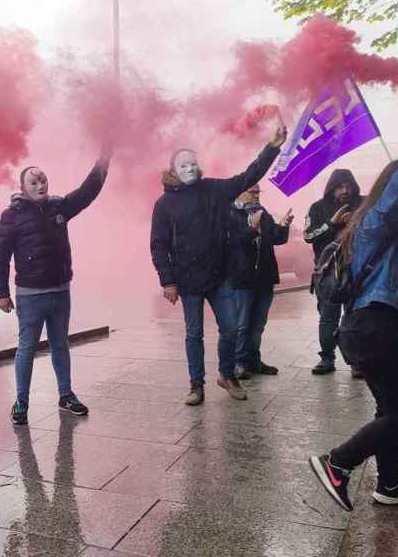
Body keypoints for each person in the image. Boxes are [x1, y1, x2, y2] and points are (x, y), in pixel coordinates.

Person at [310, 129, 398, 511]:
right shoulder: (376, 221)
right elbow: (387, 206)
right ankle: (337, 462)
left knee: (390, 411)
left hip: (384, 331)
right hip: (374, 330)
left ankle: (390, 483)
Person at [150, 125, 288, 405]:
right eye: (183, 165)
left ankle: (227, 375)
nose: (189, 169)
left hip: (218, 276)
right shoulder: (164, 204)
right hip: (187, 281)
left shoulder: (213, 189)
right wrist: (168, 281)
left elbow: (247, 177)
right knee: (194, 333)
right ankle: (196, 385)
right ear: (173, 170)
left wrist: (272, 147)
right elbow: (159, 244)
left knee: (231, 327)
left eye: (193, 163)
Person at [0, 147, 112, 425]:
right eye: (33, 182)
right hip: (30, 295)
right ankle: (21, 402)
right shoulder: (11, 216)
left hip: (60, 290)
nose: (40, 184)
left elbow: (87, 192)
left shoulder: (59, 207)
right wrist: (1, 293)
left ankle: (66, 396)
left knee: (60, 345)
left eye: (43, 179)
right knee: (26, 348)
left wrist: (104, 159)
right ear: (22, 188)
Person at [226, 184, 293, 379]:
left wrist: (283, 226)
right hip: (242, 279)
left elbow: (275, 239)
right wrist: (252, 229)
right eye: (252, 192)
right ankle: (238, 363)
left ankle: (253, 361)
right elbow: (234, 243)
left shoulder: (263, 213)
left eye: (258, 192)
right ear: (239, 192)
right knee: (242, 324)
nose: (256, 195)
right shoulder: (229, 214)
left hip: (264, 277)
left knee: (258, 325)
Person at [303, 169, 364, 376]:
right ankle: (327, 359)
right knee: (328, 318)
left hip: (358, 271)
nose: (345, 190)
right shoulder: (318, 208)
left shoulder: (364, 204)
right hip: (328, 274)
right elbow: (308, 235)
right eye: (340, 186)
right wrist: (332, 223)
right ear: (332, 187)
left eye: (348, 186)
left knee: (355, 318)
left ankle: (356, 361)